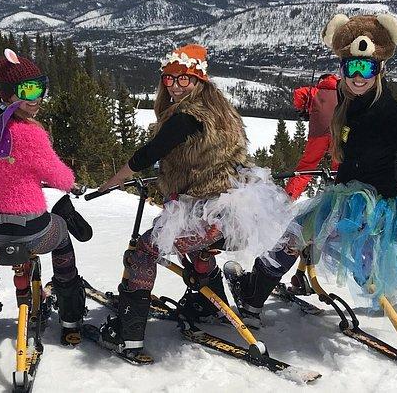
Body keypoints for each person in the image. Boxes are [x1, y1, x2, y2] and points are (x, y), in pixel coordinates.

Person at [229, 14, 397, 328]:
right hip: (360, 196)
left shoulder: (392, 114)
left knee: (300, 235)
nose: (359, 76)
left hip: (373, 203)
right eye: (352, 67)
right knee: (373, 254)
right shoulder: (349, 103)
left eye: (367, 68)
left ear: (380, 69)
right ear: (343, 69)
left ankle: (252, 297)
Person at [96, 44, 295, 362]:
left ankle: (128, 336)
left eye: (183, 79)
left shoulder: (187, 116)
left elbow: (150, 152)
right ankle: (206, 304)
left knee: (143, 252)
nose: (174, 86)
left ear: (198, 79)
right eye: (169, 79)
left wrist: (115, 180)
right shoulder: (219, 107)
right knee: (199, 249)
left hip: (208, 212)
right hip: (234, 207)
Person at [0, 49, 86, 346]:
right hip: (33, 232)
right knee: (61, 232)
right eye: (27, 90)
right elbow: (62, 180)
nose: (36, 98)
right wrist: (68, 180)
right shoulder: (32, 134)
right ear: (8, 93)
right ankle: (71, 319)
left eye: (40, 88)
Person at [284, 73, 340, 199]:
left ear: (321, 81)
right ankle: (340, 196)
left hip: (317, 134)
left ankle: (289, 197)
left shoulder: (315, 91)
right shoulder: (342, 93)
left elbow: (298, 93)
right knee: (339, 167)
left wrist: (302, 108)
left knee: (306, 167)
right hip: (338, 133)